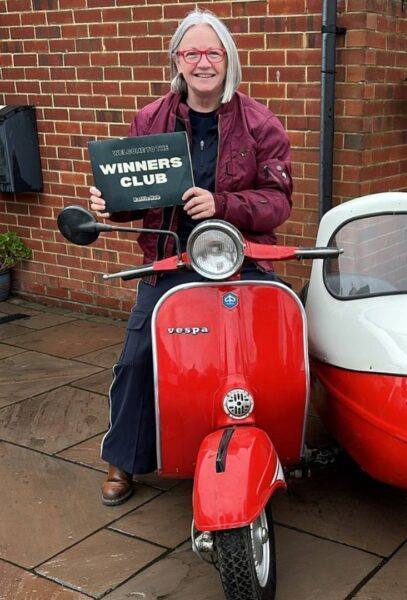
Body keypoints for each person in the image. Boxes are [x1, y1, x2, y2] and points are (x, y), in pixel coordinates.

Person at [89, 9, 293, 505]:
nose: (203, 63)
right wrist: (109, 204)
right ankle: (125, 458)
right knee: (139, 355)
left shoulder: (260, 122)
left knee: (274, 344)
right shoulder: (150, 120)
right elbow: (136, 196)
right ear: (177, 60)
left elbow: (279, 201)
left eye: (213, 52)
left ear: (228, 60)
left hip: (241, 259)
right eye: (192, 52)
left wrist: (221, 204)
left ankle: (278, 444)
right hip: (170, 260)